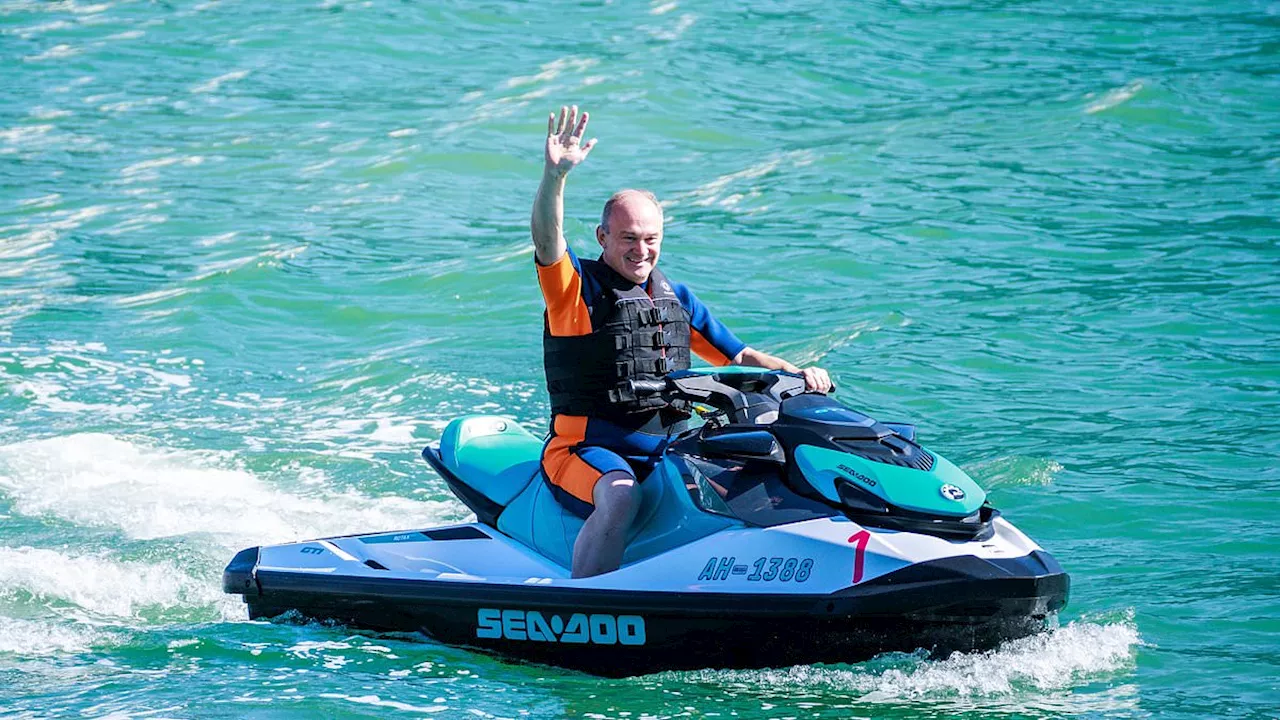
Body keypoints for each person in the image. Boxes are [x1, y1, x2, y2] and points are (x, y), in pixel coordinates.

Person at [531, 105, 833, 578]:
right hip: (585, 447)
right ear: (602, 237)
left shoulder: (675, 297)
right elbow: (548, 240)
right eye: (629, 237)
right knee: (619, 495)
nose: (641, 250)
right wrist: (556, 176)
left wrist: (796, 374)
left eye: (651, 238)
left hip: (669, 442)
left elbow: (742, 356)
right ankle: (591, 601)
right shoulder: (575, 290)